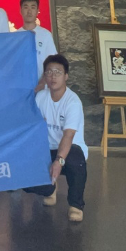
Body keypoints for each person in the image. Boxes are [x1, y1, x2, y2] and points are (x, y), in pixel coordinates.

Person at [23, 54, 88, 222]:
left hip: (70, 150)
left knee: (75, 159)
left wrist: (59, 161)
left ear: (66, 76)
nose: (53, 76)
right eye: (49, 72)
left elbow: (68, 135)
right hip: (46, 150)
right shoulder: (41, 97)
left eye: (58, 72)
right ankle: (50, 189)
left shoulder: (72, 102)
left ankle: (76, 205)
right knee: (24, 179)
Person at [16, 0, 57, 90]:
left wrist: (43, 82)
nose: (29, 11)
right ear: (20, 10)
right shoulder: (15, 36)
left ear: (37, 11)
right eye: (26, 7)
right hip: (21, 88)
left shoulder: (46, 35)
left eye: (33, 7)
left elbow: (52, 62)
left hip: (42, 88)